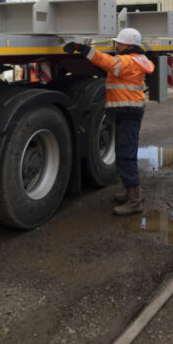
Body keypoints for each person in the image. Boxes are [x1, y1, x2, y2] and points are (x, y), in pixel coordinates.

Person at [63, 28, 155, 215]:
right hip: (129, 111)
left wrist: (84, 49)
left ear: (129, 45)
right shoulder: (137, 60)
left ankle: (135, 201)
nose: (116, 46)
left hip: (127, 113)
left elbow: (107, 62)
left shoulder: (127, 62)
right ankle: (131, 193)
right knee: (125, 154)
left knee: (125, 156)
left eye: (119, 43)